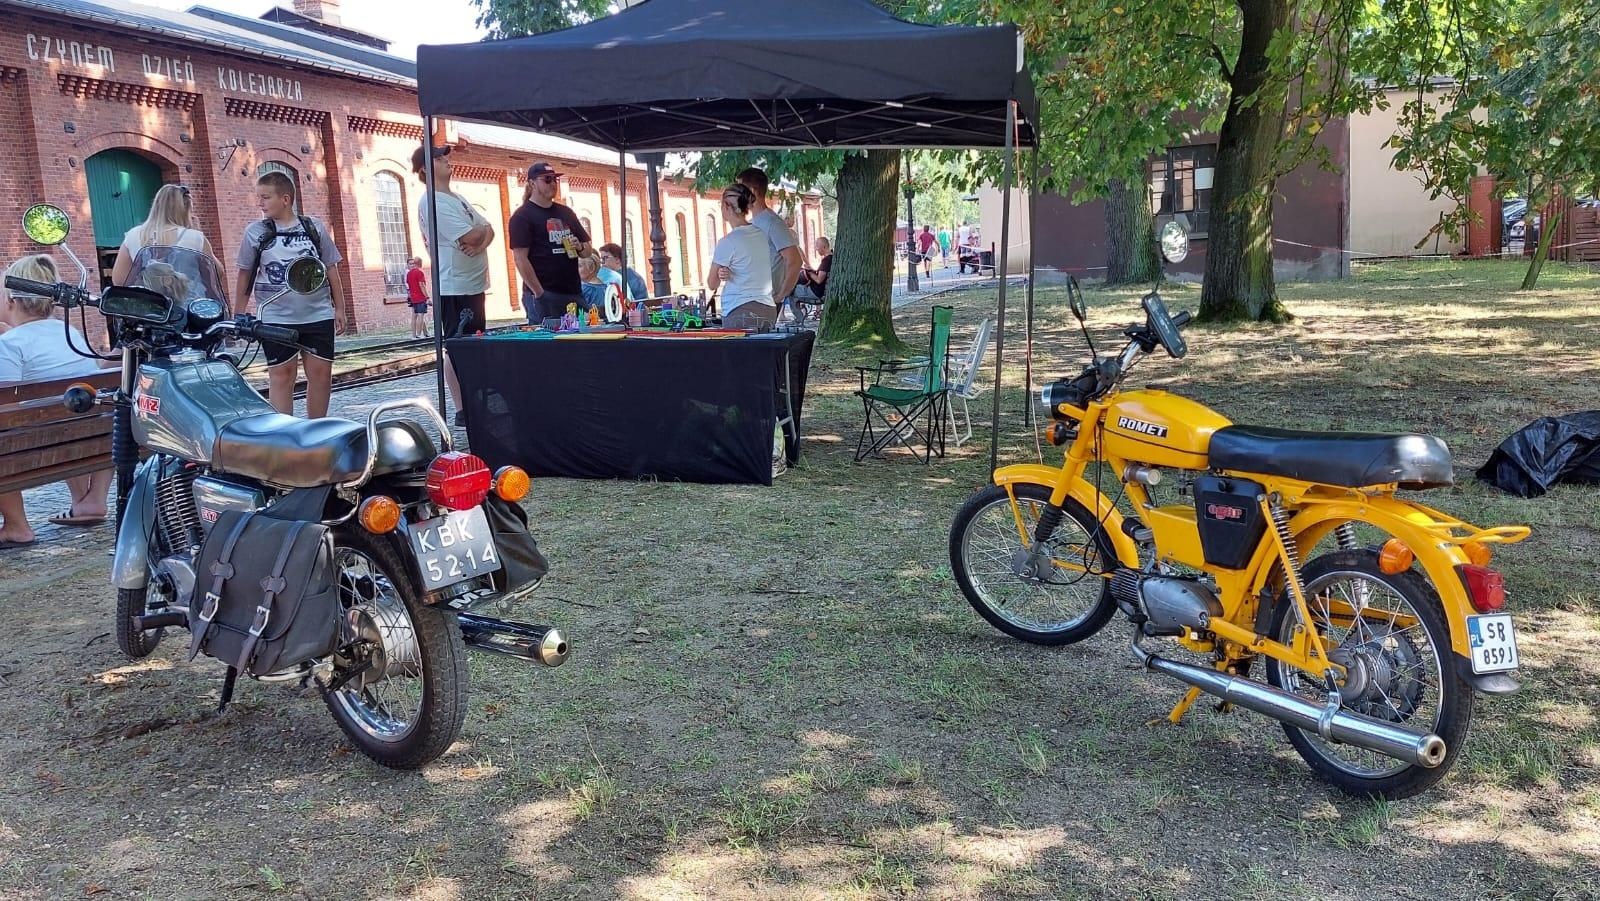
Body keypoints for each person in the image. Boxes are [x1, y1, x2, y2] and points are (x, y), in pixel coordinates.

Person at [0, 255, 113, 545]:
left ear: (11, 301)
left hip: (30, 450)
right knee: (74, 411)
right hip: (96, 436)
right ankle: (92, 499)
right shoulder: (70, 332)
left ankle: (17, 526)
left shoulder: (10, 344)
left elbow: (6, 409)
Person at [234, 171, 345, 419]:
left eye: (265, 197)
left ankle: (316, 431)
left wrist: (340, 308)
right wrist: (238, 314)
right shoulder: (256, 233)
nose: (260, 203)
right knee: (281, 375)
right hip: (275, 317)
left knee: (320, 375)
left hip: (317, 314)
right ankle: (283, 437)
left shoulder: (313, 227)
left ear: (285, 199)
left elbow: (331, 268)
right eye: (259, 197)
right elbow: (244, 276)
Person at [412, 141, 495, 426]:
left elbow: (488, 229)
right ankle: (463, 407)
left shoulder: (457, 198)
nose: (447, 160)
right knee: (458, 346)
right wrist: (480, 235)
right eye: (439, 158)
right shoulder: (432, 200)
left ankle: (477, 398)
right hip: (454, 286)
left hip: (473, 284)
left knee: (475, 343)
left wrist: (481, 234)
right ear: (425, 168)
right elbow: (472, 236)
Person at [509, 162, 591, 324]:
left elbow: (588, 250)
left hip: (573, 292)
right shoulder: (522, 216)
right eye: (547, 179)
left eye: (555, 180)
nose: (553, 184)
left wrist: (579, 246)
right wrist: (539, 293)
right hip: (544, 293)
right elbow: (520, 259)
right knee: (548, 346)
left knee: (582, 342)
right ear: (532, 183)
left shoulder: (566, 213)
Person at [111, 184, 217, 287]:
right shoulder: (195, 237)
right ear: (186, 209)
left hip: (148, 301)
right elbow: (216, 274)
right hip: (187, 302)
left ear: (156, 205)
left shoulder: (133, 235)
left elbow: (119, 281)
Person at [734, 167, 802, 314]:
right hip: (747, 299)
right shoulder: (753, 222)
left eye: (740, 189)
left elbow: (795, 260)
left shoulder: (772, 223)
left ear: (753, 191)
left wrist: (780, 296)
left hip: (764, 301)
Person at [707, 184, 775, 329]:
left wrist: (721, 273)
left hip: (739, 309)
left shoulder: (727, 242)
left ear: (727, 206)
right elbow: (750, 267)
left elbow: (712, 283)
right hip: (768, 308)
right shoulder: (761, 235)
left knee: (739, 352)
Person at [404, 257, 431, 338]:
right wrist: (427, 297)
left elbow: (409, 285)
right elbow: (422, 285)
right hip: (420, 297)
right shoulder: (419, 273)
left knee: (416, 316)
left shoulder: (408, 274)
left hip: (413, 298)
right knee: (420, 316)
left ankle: (424, 333)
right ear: (420, 263)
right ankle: (418, 335)